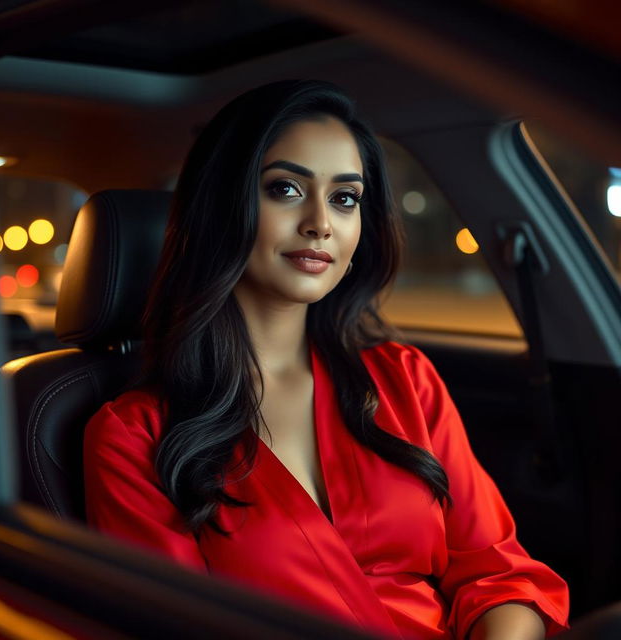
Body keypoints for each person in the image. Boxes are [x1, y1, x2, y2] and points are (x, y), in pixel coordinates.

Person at [84, 80, 569, 639]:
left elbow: (498, 572)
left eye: (345, 198)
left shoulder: (402, 378)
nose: (321, 222)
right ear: (221, 203)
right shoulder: (133, 436)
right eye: (286, 189)